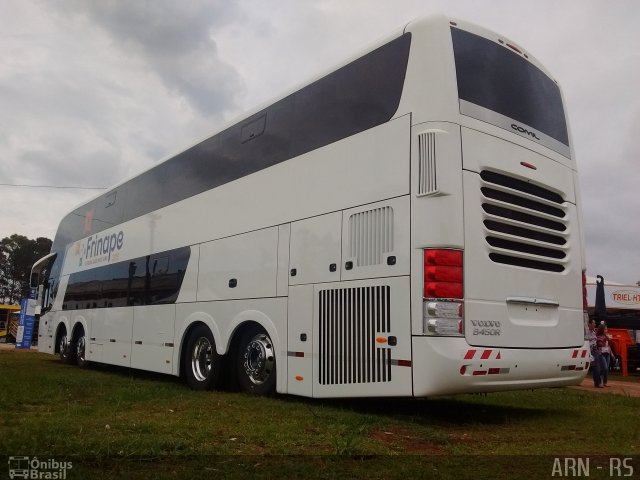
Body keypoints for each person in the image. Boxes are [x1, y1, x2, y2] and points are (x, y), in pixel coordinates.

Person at [596, 323, 611, 387]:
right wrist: (605, 339)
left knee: (606, 369)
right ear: (602, 330)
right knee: (604, 368)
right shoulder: (598, 336)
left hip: (607, 353)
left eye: (606, 329)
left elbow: (608, 345)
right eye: (605, 329)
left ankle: (605, 382)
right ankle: (599, 382)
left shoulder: (606, 336)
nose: (606, 330)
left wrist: (612, 354)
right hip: (601, 354)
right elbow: (600, 344)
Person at [588, 319, 602, 388]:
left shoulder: (594, 332)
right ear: (589, 324)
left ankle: (598, 382)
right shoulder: (586, 332)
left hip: (594, 349)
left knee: (597, 365)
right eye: (594, 323)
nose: (595, 324)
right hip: (588, 350)